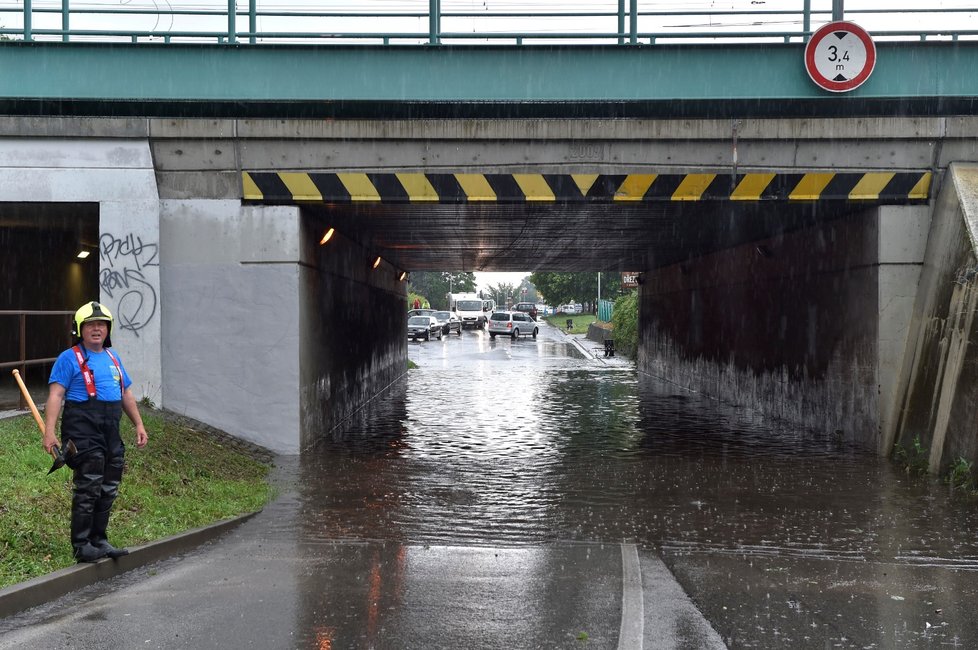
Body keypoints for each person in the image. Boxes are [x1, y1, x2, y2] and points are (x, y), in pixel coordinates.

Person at [43, 301, 148, 563]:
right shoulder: (69, 358)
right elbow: (55, 395)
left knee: (108, 486)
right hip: (82, 430)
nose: (97, 329)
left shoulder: (113, 358)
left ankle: (99, 540)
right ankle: (81, 545)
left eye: (102, 324)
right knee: (89, 485)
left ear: (108, 329)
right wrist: (49, 431)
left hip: (110, 430)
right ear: (80, 329)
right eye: (91, 324)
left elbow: (126, 393)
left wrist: (138, 424)